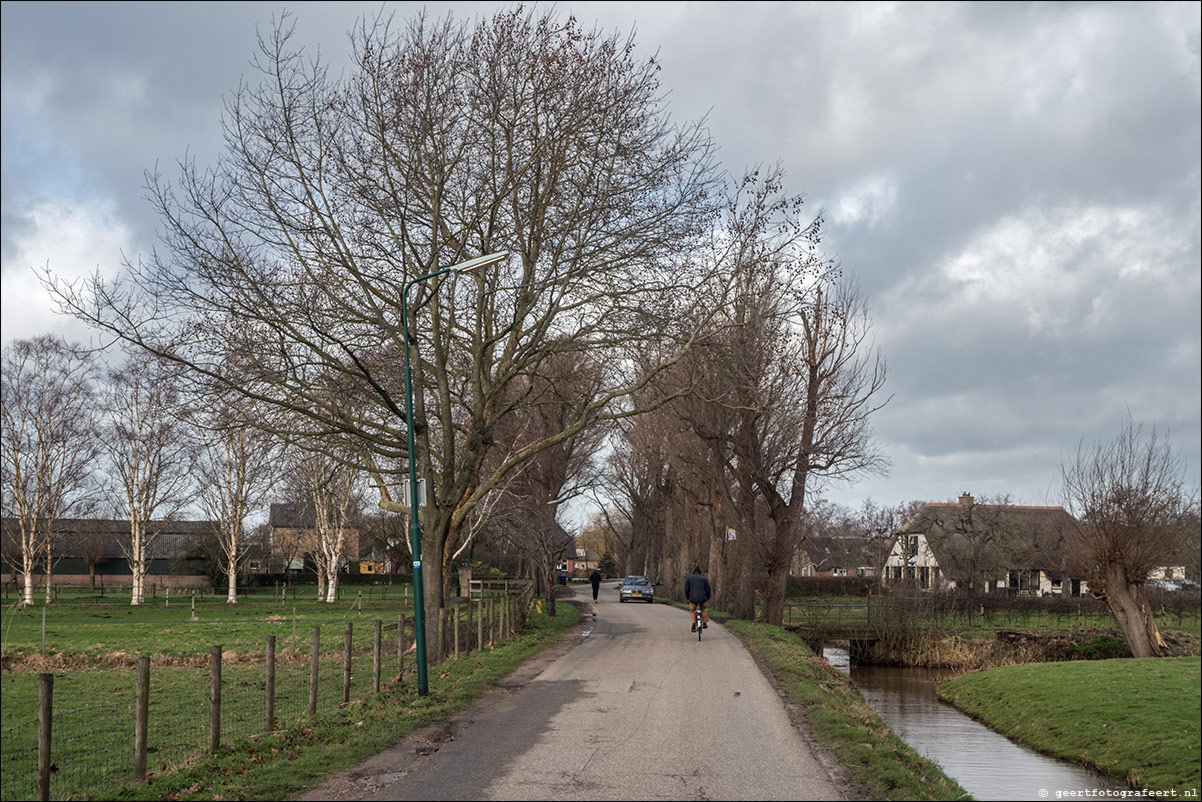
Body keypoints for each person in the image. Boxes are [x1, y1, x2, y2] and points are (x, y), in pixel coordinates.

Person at [684, 566, 711, 631]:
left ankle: (693, 623)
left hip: (693, 598)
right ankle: (704, 623)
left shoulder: (690, 579)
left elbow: (687, 589)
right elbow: (708, 589)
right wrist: (708, 597)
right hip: (702, 598)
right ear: (700, 573)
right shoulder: (704, 579)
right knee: (703, 609)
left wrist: (688, 597)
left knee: (692, 610)